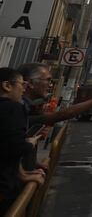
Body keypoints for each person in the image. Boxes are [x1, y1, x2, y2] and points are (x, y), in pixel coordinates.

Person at [18, 63, 92, 134]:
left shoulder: (28, 106)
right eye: (47, 80)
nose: (50, 84)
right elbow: (61, 114)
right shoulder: (17, 107)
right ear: (31, 83)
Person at [0, 69, 45, 213]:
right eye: (21, 84)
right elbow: (13, 147)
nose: (24, 88)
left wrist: (22, 173)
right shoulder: (12, 108)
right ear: (7, 86)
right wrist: (29, 143)